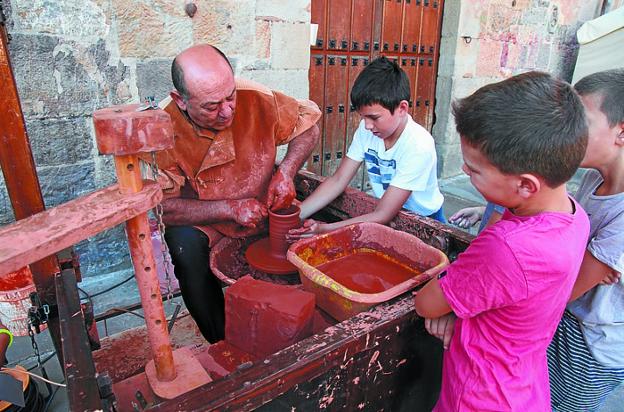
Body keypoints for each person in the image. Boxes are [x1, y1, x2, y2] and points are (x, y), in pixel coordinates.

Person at [413, 71, 590, 411]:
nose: (465, 172)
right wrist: (459, 304)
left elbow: (427, 304)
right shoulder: (574, 215)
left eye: (474, 168)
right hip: (523, 386)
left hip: (479, 395)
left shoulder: (506, 247)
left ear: (526, 185)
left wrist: (451, 303)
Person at [146, 44, 320, 342]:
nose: (227, 111)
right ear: (181, 100)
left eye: (230, 97)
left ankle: (300, 326)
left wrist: (287, 171)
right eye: (212, 106)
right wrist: (229, 208)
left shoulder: (255, 97)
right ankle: (222, 339)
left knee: (310, 236)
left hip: (264, 207)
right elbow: (166, 208)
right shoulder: (162, 127)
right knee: (184, 246)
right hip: (209, 218)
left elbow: (309, 125)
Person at [287, 56, 444, 240]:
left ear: (402, 108)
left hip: (426, 223)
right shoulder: (367, 131)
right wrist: (296, 215)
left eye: (374, 117)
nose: (367, 125)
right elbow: (338, 180)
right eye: (363, 117)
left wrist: (325, 230)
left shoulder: (418, 145)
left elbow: (383, 214)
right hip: (385, 214)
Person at [547, 68, 624, 412]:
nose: (569, 132)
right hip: (567, 314)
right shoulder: (592, 178)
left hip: (593, 343)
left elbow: (570, 286)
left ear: (621, 132)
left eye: (583, 121)